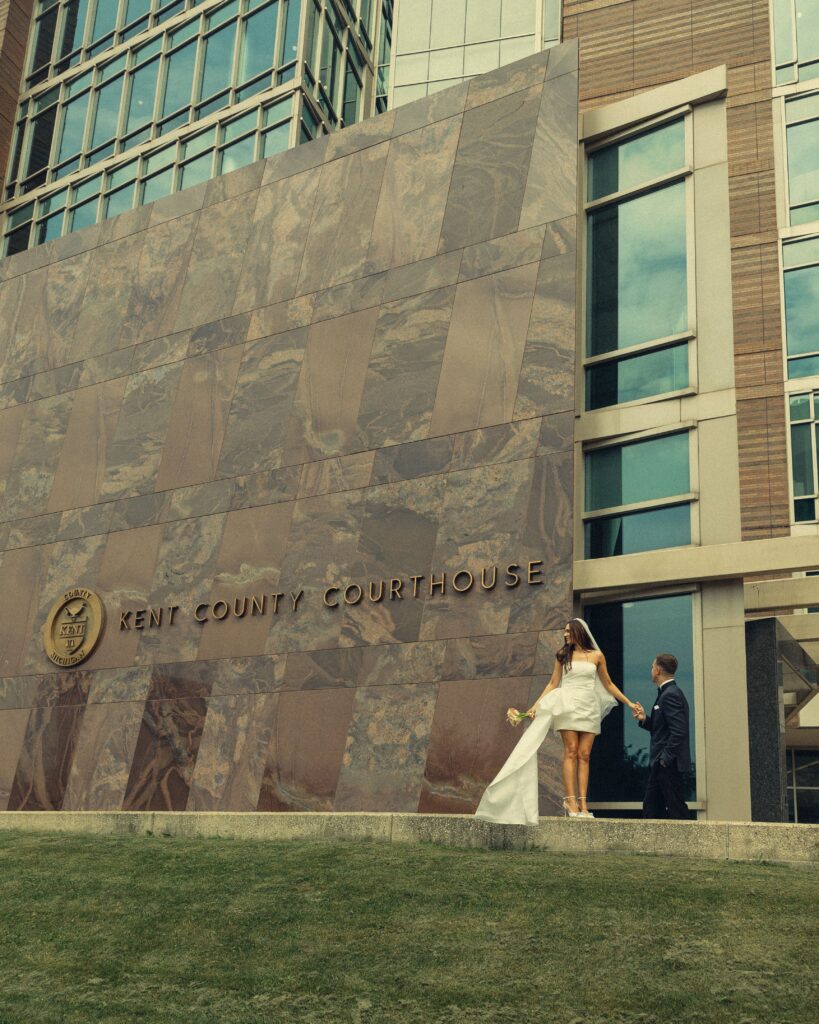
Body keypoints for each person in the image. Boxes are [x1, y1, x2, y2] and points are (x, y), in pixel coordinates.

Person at [475, 619, 638, 825]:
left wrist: (629, 703)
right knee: (571, 751)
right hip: (567, 706)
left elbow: (608, 683)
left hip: (589, 707)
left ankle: (584, 804)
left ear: (579, 632)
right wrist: (535, 706)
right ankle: (571, 802)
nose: (565, 635)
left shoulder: (597, 656)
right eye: (565, 632)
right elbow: (553, 683)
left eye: (569, 631)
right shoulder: (563, 655)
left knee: (585, 755)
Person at [632, 653, 691, 820]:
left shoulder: (670, 694)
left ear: (657, 670)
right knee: (651, 808)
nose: (651, 670)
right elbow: (663, 729)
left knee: (676, 808)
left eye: (652, 667)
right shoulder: (667, 693)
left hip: (668, 765)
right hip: (662, 765)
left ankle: (687, 844)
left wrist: (664, 760)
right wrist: (644, 719)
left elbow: (679, 731)